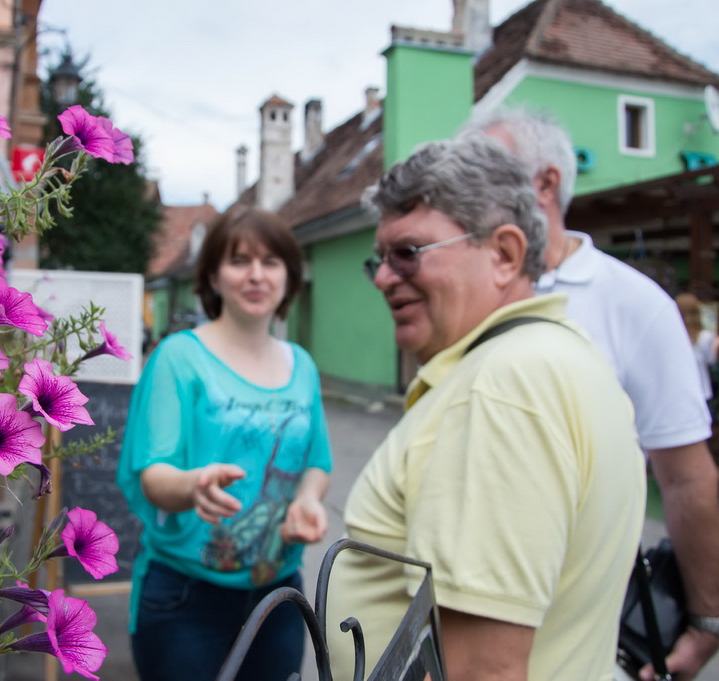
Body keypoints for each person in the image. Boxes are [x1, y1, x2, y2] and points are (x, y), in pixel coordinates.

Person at [326, 133, 645, 681]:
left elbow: (483, 671)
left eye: (407, 253)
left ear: (504, 254)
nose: (382, 277)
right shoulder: (564, 354)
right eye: (378, 258)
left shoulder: (499, 387)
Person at [464, 107, 719, 680]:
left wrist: (707, 624)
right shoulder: (466, 293)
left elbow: (686, 476)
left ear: (546, 184)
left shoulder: (634, 305)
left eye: (482, 171)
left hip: (583, 643)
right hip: (464, 625)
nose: (462, 189)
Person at [116, 205, 333, 681]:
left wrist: (306, 499)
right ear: (213, 275)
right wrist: (193, 486)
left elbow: (316, 461)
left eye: (271, 261)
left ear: (290, 277)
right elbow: (153, 474)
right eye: (239, 260)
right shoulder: (178, 359)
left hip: (279, 597)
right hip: (186, 600)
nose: (256, 275)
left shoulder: (303, 365)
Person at [675, 292, 719, 407]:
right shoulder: (705, 336)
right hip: (700, 387)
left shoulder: (673, 334)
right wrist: (717, 344)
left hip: (678, 388)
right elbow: (711, 359)